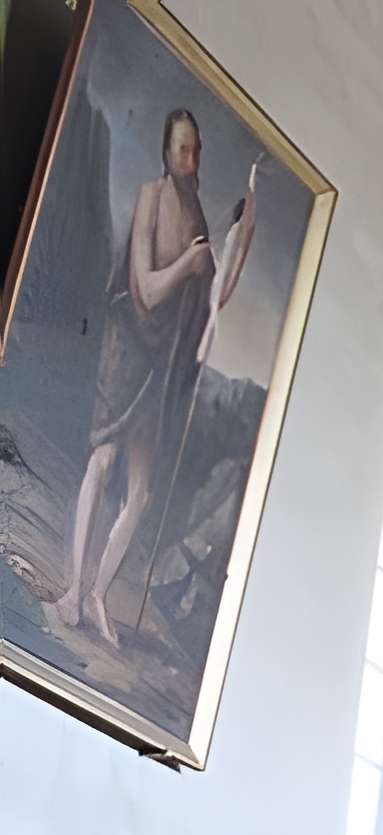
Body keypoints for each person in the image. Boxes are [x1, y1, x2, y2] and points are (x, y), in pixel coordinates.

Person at [52, 109, 255, 651]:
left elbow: (214, 297)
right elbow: (144, 289)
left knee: (140, 493)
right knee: (103, 461)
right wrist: (185, 270)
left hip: (163, 367)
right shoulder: (150, 197)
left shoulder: (198, 219)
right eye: (181, 149)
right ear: (166, 153)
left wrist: (241, 235)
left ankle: (97, 593)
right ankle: (72, 590)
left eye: (196, 150)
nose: (189, 160)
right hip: (130, 348)